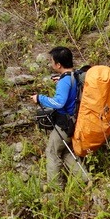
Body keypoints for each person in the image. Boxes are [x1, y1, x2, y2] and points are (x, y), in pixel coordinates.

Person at [31, 46, 89, 188]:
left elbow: (58, 102)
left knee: (52, 152)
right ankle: (85, 179)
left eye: (51, 61)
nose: (51, 63)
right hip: (74, 121)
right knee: (65, 151)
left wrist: (40, 98)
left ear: (58, 65)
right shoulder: (74, 75)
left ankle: (55, 187)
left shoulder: (65, 81)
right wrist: (61, 81)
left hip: (64, 124)